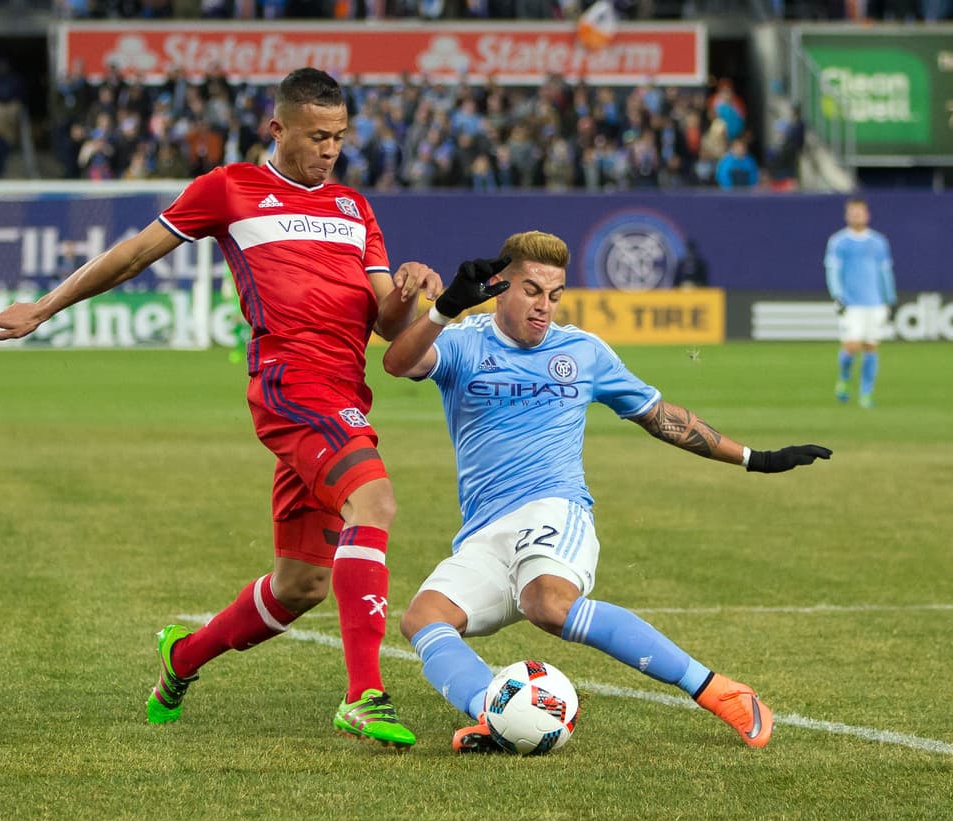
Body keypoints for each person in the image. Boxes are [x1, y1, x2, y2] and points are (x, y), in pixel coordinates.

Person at [0, 67, 443, 750]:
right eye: (317, 136)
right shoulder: (231, 188)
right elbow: (134, 253)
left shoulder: (353, 207)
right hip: (291, 383)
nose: (330, 149)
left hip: (342, 391)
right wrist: (42, 308)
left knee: (302, 583)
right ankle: (365, 695)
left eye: (339, 136)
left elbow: (385, 320)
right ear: (277, 129)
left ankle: (181, 658)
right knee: (375, 501)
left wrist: (412, 288)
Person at [381, 230, 832, 753]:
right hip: (485, 529)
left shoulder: (583, 351)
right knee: (422, 619)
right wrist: (445, 310)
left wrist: (755, 458)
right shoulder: (463, 342)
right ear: (498, 288)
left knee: (548, 604)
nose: (544, 306)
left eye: (554, 294)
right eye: (531, 291)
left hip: (556, 506)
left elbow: (662, 418)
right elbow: (398, 363)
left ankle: (721, 691)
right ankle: (494, 715)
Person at [825, 198, 895, 408]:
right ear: (847, 216)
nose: (856, 216)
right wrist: (837, 295)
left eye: (860, 212)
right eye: (852, 212)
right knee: (851, 346)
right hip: (851, 303)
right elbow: (833, 271)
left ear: (867, 215)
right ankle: (844, 380)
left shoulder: (878, 242)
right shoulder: (838, 242)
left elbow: (885, 272)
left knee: (871, 347)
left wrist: (889, 298)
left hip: (875, 302)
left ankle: (866, 394)